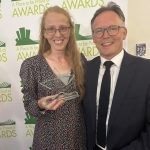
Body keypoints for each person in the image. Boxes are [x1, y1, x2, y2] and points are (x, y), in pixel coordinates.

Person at [83, 1, 150, 150]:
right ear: (93, 37)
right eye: (99, 30)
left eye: (113, 28)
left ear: (124, 33)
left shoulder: (146, 71)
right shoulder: (85, 70)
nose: (105, 35)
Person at [20, 6, 86, 150]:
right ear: (44, 32)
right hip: (47, 141)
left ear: (70, 30)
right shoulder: (31, 65)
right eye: (51, 29)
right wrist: (40, 104)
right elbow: (28, 104)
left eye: (63, 28)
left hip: (78, 139)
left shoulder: (80, 61)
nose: (58, 34)